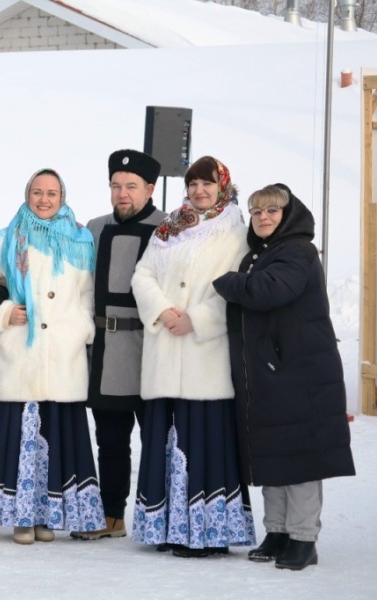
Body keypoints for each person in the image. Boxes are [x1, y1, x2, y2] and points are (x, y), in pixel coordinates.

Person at [213, 184, 355, 570]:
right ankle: (277, 531)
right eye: (257, 212)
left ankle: (304, 538)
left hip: (300, 372)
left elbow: (270, 290)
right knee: (272, 455)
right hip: (273, 371)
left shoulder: (297, 251)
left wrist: (226, 281)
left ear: (287, 215)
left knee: (300, 458)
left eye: (272, 211)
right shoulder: (261, 254)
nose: (263, 217)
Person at [0, 168, 105, 545]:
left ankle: (48, 517)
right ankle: (22, 519)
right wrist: (4, 312)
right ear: (27, 195)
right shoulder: (9, 237)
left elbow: (86, 295)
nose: (44, 199)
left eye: (52, 193)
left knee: (58, 436)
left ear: (63, 197)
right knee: (22, 439)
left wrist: (82, 330)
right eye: (37, 192)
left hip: (63, 356)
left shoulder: (80, 239)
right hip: (21, 357)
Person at [130, 155, 256, 557]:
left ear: (223, 187)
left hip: (206, 354)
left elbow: (236, 288)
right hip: (165, 349)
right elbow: (142, 275)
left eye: (208, 183)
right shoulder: (169, 228)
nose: (200, 191)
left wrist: (197, 320)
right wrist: (162, 310)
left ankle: (207, 533)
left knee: (205, 440)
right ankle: (167, 528)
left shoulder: (236, 232)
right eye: (194, 184)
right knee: (165, 439)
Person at [71, 150, 166, 541]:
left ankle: (162, 520)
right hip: (106, 352)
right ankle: (111, 516)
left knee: (158, 441)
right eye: (116, 186)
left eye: (131, 186)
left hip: (153, 350)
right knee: (110, 441)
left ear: (150, 189)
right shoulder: (94, 229)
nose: (122, 193)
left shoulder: (168, 229)